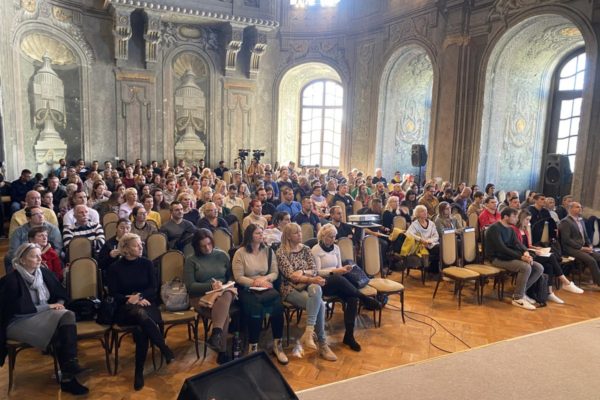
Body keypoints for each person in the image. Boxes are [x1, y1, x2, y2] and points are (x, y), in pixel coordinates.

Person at [0, 243, 89, 395]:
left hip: (43, 316)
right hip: (18, 321)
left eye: (40, 255)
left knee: (67, 314)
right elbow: (16, 309)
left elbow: (60, 294)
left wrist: (59, 305)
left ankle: (69, 366)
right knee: (61, 330)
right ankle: (68, 377)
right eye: (34, 256)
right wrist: (49, 307)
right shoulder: (11, 280)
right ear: (22, 260)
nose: (39, 259)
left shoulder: (44, 273)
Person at [107, 233, 174, 390]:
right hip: (125, 308)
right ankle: (163, 347)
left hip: (147, 303)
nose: (141, 247)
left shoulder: (147, 264)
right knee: (138, 315)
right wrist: (129, 299)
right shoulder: (114, 268)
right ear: (126, 249)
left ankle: (139, 372)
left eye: (141, 244)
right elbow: (112, 293)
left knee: (140, 328)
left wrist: (140, 296)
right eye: (137, 245)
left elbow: (153, 288)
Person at [311, 224, 380, 351]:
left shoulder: (336, 248)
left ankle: (349, 336)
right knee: (338, 278)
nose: (333, 239)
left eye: (334, 237)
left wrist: (344, 269)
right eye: (330, 237)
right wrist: (335, 271)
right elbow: (318, 272)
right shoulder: (316, 250)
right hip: (323, 283)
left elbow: (338, 267)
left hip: (339, 281)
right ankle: (364, 298)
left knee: (352, 298)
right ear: (323, 236)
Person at [276, 223, 337, 361]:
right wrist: (311, 278)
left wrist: (304, 273)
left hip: (308, 285)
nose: (300, 234)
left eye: (300, 232)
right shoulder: (281, 252)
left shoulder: (306, 249)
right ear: (288, 236)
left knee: (316, 290)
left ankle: (309, 332)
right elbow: (291, 275)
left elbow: (314, 269)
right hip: (290, 288)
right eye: (296, 233)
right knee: (320, 304)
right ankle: (322, 344)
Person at [232, 224, 287, 363]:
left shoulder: (268, 251)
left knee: (278, 307)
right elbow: (238, 277)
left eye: (262, 233)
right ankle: (253, 347)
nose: (261, 235)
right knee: (255, 309)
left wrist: (265, 279)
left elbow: (274, 272)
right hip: (247, 288)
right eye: (257, 233)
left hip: (266, 286)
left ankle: (277, 345)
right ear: (250, 236)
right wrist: (254, 282)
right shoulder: (240, 253)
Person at [184, 229, 236, 364]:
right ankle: (221, 348)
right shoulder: (191, 261)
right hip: (201, 296)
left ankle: (216, 335)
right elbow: (190, 286)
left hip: (224, 291)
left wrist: (228, 283)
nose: (207, 248)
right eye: (203, 246)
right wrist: (211, 287)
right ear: (197, 246)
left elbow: (230, 276)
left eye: (209, 244)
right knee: (224, 315)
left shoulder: (222, 255)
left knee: (227, 293)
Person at [513, 210, 583, 304]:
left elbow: (528, 245)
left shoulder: (525, 230)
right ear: (521, 219)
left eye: (529, 220)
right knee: (551, 257)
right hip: (523, 255)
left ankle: (549, 292)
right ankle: (565, 282)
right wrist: (532, 250)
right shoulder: (514, 230)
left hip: (530, 252)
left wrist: (536, 248)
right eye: (526, 219)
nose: (528, 222)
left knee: (549, 265)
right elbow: (518, 247)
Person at [485, 208, 544, 310]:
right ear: (506, 217)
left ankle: (521, 292)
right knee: (525, 267)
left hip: (508, 257)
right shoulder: (494, 228)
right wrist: (521, 257)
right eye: (514, 216)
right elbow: (501, 248)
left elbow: (517, 243)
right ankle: (518, 298)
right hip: (497, 258)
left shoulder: (510, 228)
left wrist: (525, 252)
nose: (517, 219)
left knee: (539, 268)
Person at [7, 205, 63, 273]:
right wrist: (27, 261)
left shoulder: (53, 229)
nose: (41, 216)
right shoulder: (18, 231)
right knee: (7, 258)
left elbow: (58, 248)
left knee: (61, 256)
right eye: (36, 214)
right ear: (29, 218)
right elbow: (13, 252)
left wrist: (40, 259)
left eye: (42, 213)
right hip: (25, 260)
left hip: (48, 257)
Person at [559, 201, 600, 287]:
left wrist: (590, 245)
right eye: (577, 207)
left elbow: (586, 236)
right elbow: (566, 240)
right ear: (570, 209)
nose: (580, 208)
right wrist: (581, 248)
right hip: (570, 248)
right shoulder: (566, 221)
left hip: (583, 247)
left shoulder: (581, 220)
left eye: (580, 207)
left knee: (598, 257)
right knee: (591, 261)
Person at [406, 205, 440, 272]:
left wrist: (429, 241)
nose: (425, 213)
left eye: (426, 211)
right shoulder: (415, 224)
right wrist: (420, 239)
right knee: (439, 249)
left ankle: (433, 269)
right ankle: (433, 270)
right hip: (421, 245)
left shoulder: (431, 223)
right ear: (417, 213)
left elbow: (436, 236)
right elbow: (408, 233)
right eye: (422, 211)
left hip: (431, 243)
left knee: (441, 247)